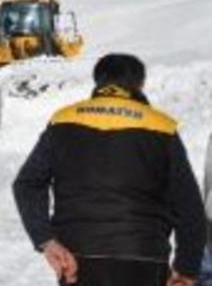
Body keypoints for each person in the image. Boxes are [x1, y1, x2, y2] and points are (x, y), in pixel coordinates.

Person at [13, 53, 206, 286]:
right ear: (140, 84)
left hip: (76, 259)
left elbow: (27, 183)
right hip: (144, 257)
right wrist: (186, 268)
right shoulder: (162, 127)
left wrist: (46, 239)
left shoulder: (63, 121)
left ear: (99, 81)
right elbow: (188, 204)